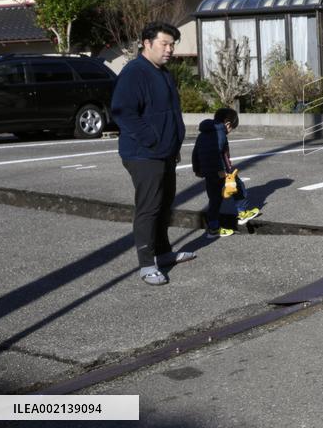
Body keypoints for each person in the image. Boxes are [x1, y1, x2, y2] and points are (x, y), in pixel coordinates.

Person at [111, 22, 192, 286]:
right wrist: (153, 140)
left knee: (165, 204)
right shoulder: (135, 72)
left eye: (172, 45)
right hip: (143, 154)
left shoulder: (163, 72)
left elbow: (170, 113)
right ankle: (147, 265)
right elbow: (124, 112)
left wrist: (172, 145)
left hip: (165, 152)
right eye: (164, 44)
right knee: (149, 208)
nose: (169, 50)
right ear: (147, 43)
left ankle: (164, 253)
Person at [191, 107, 261, 238]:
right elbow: (215, 154)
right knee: (238, 187)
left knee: (214, 200)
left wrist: (197, 169)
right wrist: (221, 171)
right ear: (227, 124)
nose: (230, 131)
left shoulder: (202, 134)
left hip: (208, 172)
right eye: (231, 128)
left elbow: (195, 153)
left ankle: (213, 229)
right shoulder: (220, 134)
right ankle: (242, 213)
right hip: (220, 171)